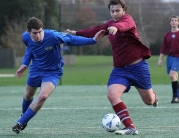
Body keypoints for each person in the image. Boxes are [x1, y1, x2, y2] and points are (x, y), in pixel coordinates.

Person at [66, 0, 158, 135]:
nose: (115, 14)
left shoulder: (128, 20)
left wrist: (117, 27)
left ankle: (155, 98)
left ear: (124, 10)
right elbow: (95, 30)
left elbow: (124, 25)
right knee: (112, 95)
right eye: (112, 11)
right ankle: (130, 127)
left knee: (149, 101)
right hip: (120, 70)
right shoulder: (109, 24)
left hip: (138, 67)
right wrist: (76, 33)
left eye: (118, 10)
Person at [12, 17, 105, 134]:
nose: (38, 35)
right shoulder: (25, 37)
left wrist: (92, 40)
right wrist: (24, 64)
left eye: (40, 32)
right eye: (35, 33)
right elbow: (30, 50)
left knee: (43, 96)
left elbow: (71, 39)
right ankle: (24, 118)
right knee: (28, 95)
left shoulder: (52, 36)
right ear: (28, 32)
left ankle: (21, 122)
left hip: (53, 72)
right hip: (36, 70)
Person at [158, 15, 179, 103]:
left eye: (175, 20)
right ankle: (177, 96)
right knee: (174, 77)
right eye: (172, 20)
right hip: (170, 57)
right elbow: (164, 48)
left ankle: (175, 97)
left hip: (178, 57)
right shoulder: (167, 35)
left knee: (172, 75)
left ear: (178, 22)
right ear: (170, 22)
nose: (174, 22)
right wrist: (160, 59)